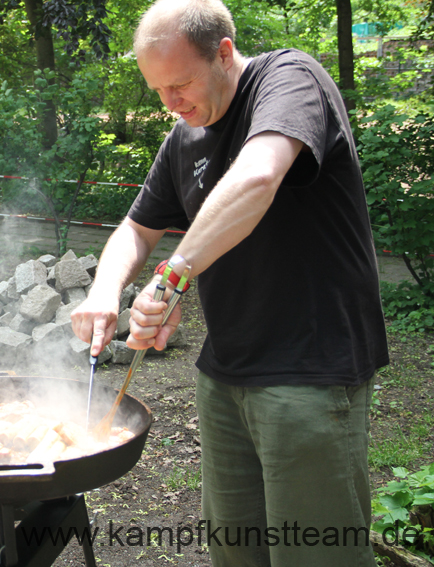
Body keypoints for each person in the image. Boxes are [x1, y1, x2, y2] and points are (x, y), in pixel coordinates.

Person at [71, 1, 389, 565]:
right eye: (158, 91)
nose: (171, 103)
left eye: (181, 83)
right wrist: (104, 292)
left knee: (316, 554)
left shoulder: (288, 78)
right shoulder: (184, 137)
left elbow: (258, 175)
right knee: (236, 554)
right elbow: (135, 229)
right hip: (225, 378)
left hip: (309, 373)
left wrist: (170, 278)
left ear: (223, 52)